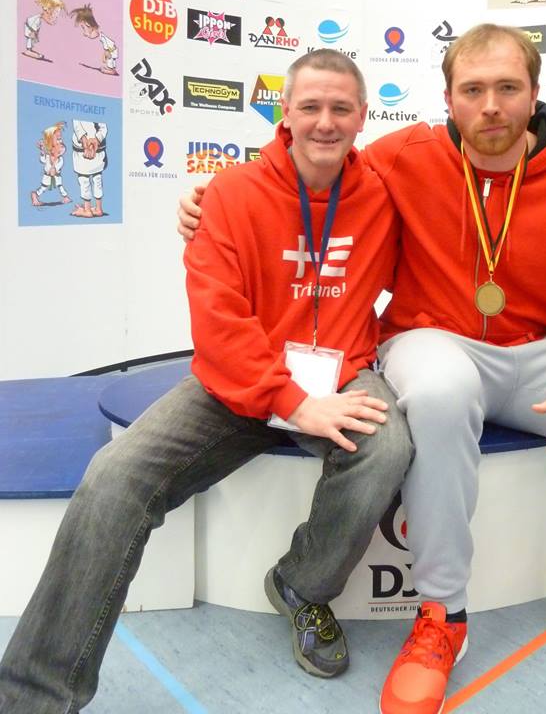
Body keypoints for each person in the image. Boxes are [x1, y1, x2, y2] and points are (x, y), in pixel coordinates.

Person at [179, 24, 546, 713]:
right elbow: (311, 166)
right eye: (472, 90)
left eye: (507, 88)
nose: (491, 106)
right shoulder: (402, 157)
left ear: (534, 93)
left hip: (538, 353)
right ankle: (442, 613)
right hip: (432, 341)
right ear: (448, 99)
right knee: (443, 389)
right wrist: (212, 200)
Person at [0, 49, 412, 712]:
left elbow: (457, 144)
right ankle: (34, 697)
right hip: (236, 384)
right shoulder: (231, 193)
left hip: (342, 372)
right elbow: (219, 323)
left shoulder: (386, 193)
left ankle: (302, 586)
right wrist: (289, 400)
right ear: (285, 113)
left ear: (364, 115)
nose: (325, 121)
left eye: (341, 108)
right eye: (310, 106)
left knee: (385, 448)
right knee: (113, 480)